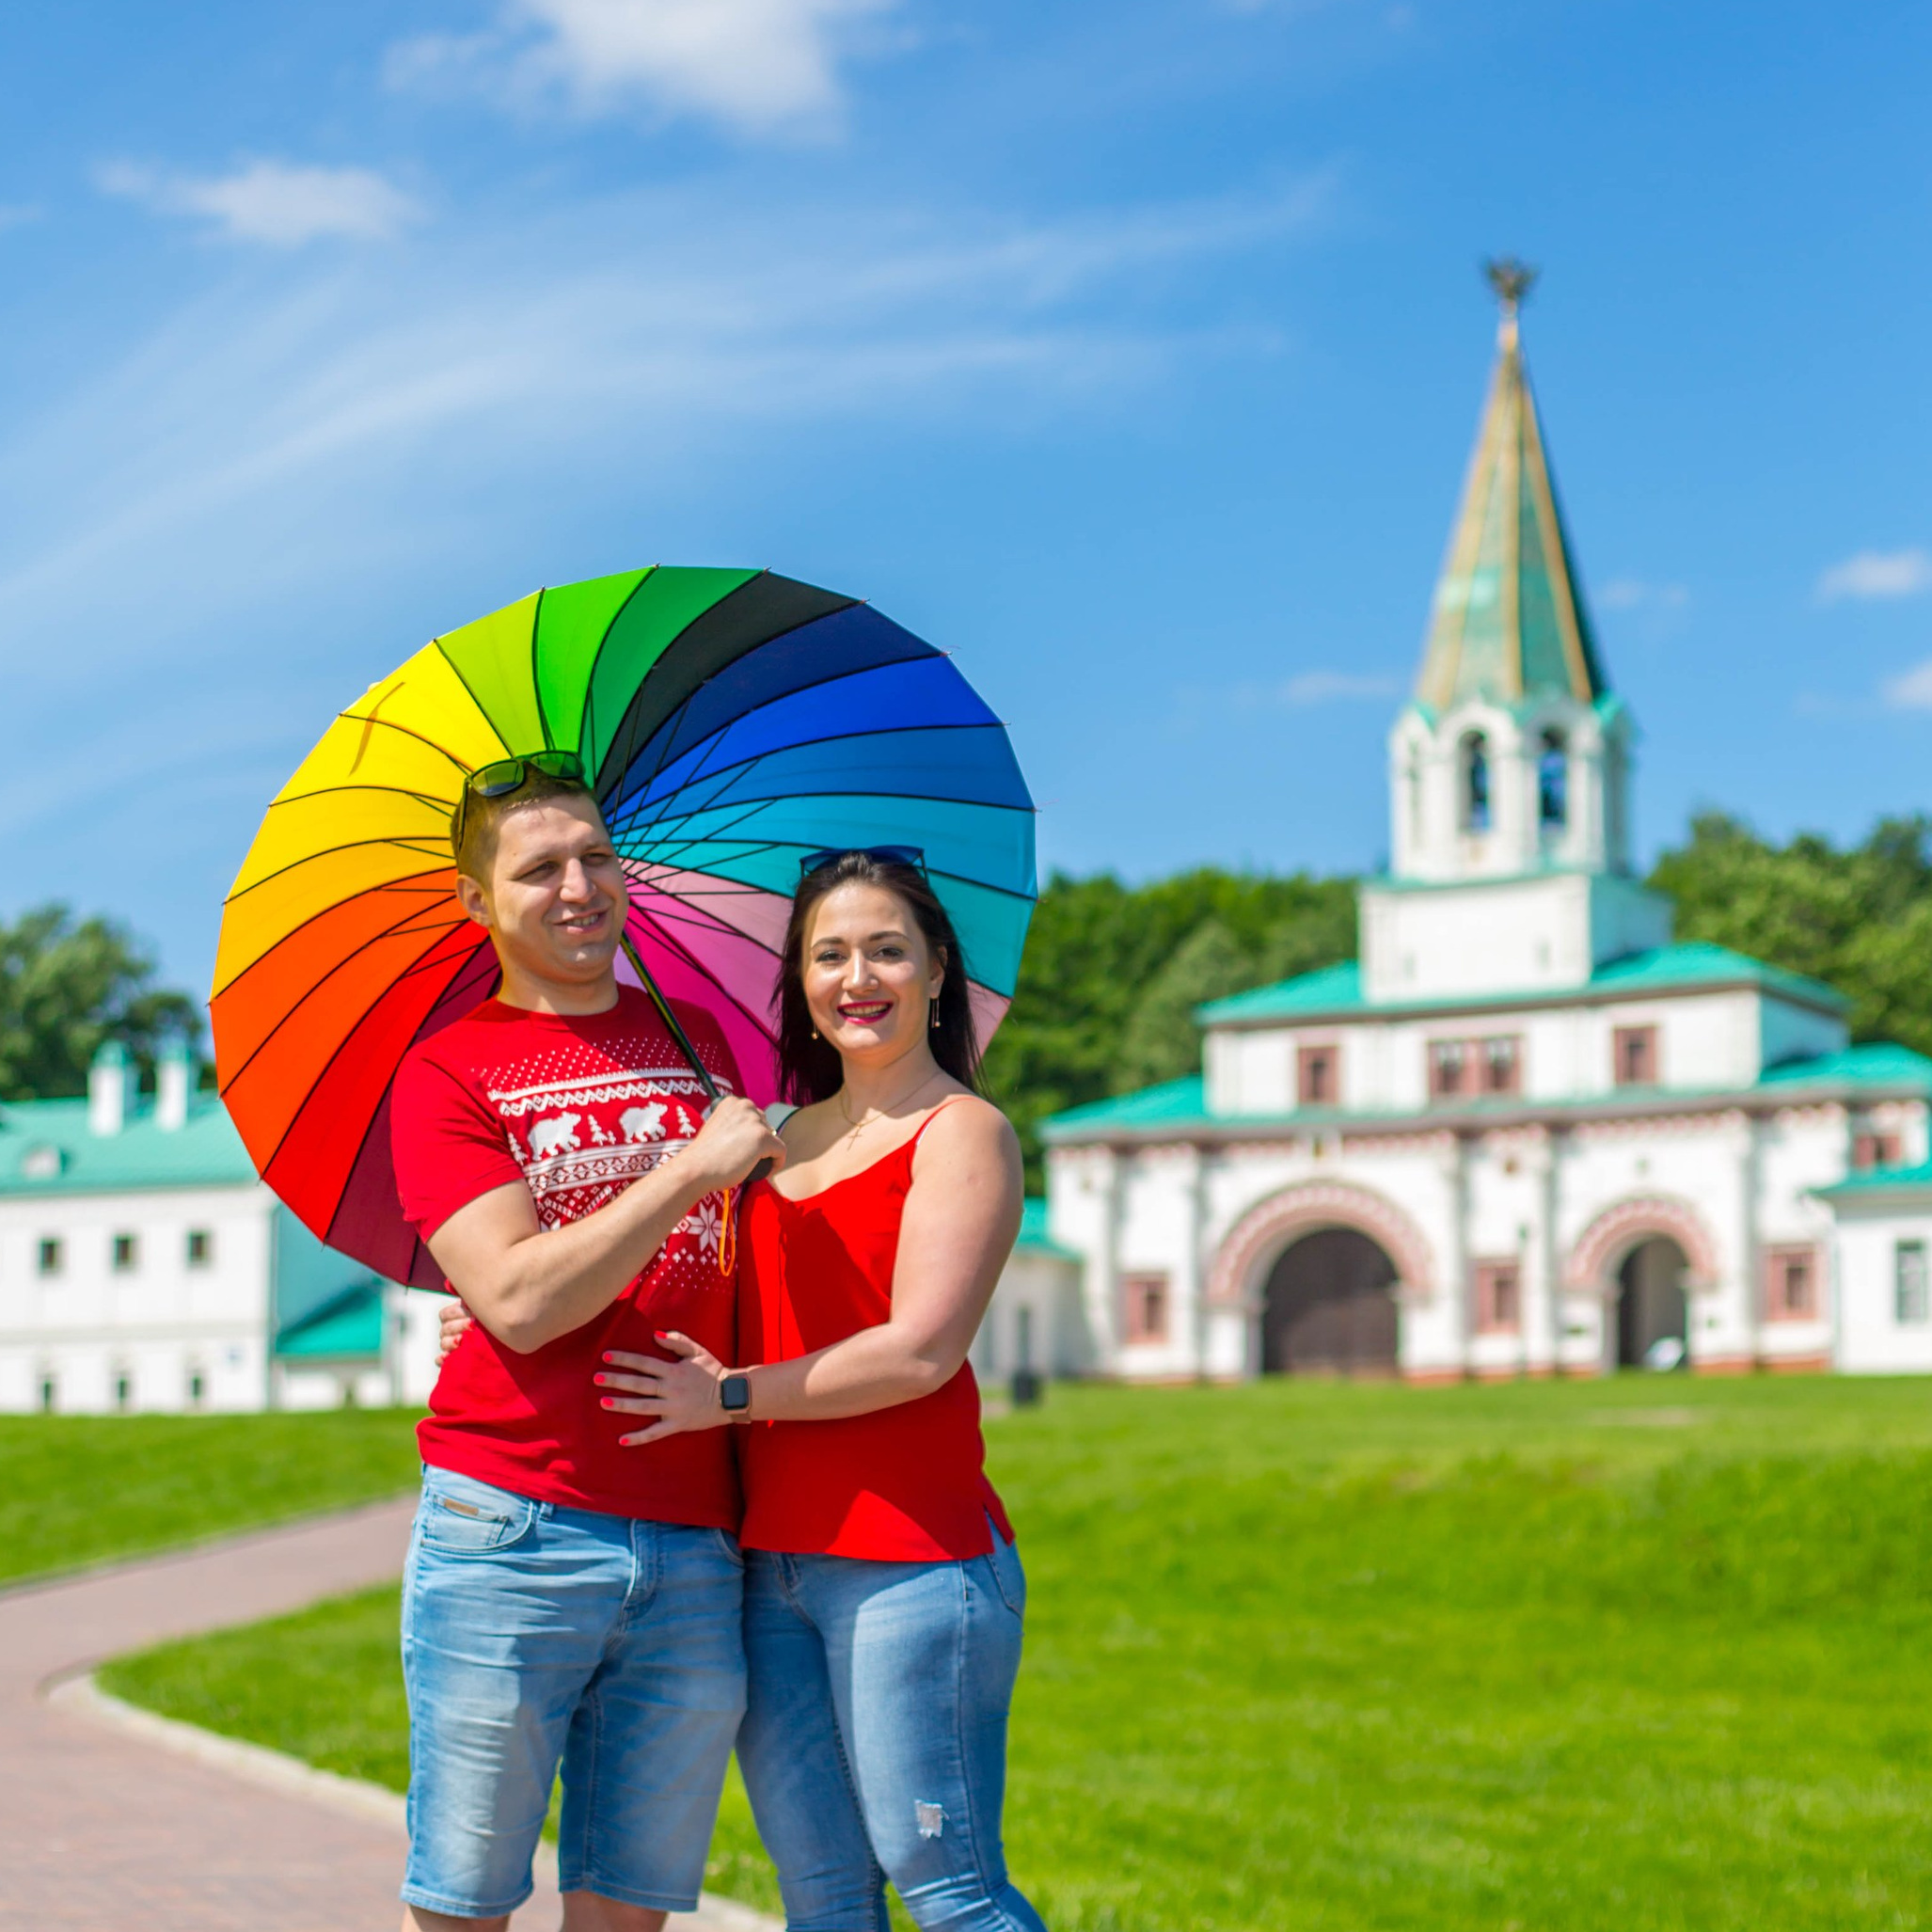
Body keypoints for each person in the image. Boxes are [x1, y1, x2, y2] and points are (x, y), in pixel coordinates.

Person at [596, 847, 1047, 1932]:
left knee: (952, 1891)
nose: (859, 976)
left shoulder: (962, 1131)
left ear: (937, 967)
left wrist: (733, 1396)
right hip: (768, 1566)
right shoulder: (773, 1140)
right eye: (828, 953)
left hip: (911, 1559)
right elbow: (702, 1299)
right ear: (797, 979)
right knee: (826, 1901)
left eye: (887, 948)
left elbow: (917, 1351)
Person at [390, 752, 785, 1932]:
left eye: (596, 855)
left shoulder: (704, 1037)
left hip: (692, 1539)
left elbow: (755, 1252)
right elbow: (515, 1303)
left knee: (630, 1909)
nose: (579, 886)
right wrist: (684, 1172)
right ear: (478, 903)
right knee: (466, 1904)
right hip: (511, 1525)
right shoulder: (446, 1070)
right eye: (540, 867)